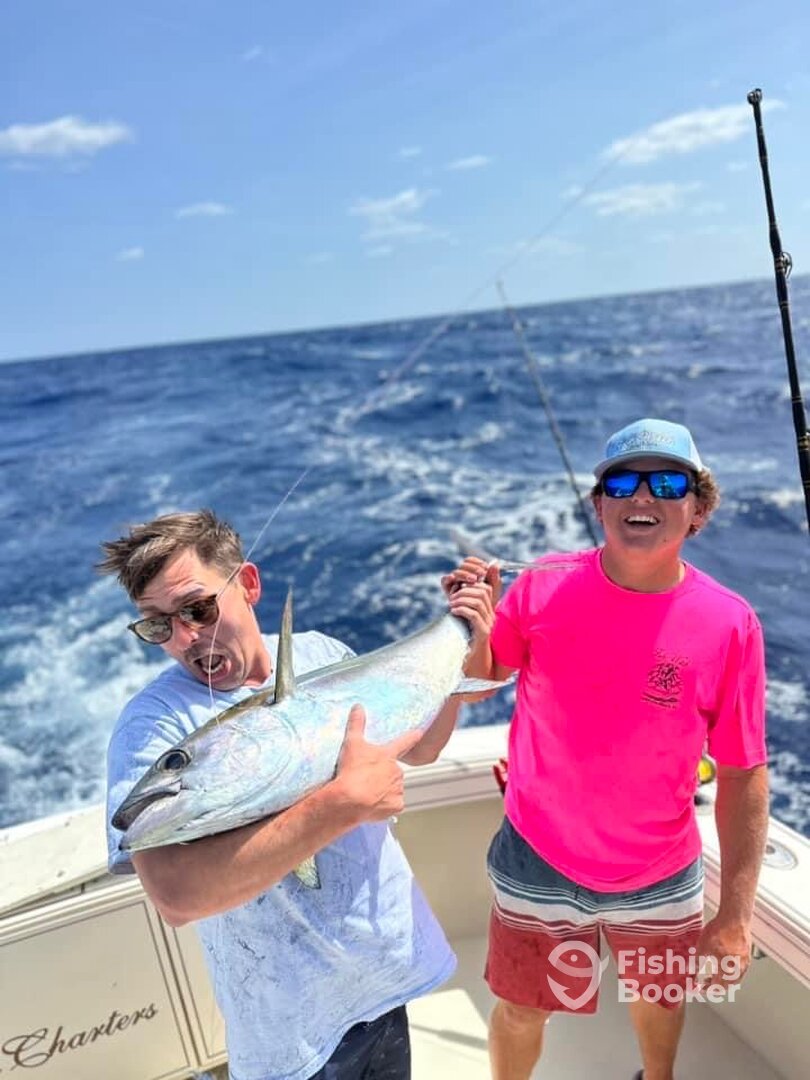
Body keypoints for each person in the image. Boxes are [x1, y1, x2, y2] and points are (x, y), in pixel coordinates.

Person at [442, 418, 769, 1080]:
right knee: (523, 1009)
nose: (641, 496)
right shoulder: (541, 586)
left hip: (661, 873)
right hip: (537, 857)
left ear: (699, 509)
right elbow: (479, 683)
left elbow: (742, 772)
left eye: (667, 483)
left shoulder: (731, 623)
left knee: (660, 1000)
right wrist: (473, 625)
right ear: (599, 505)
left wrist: (735, 914)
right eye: (621, 483)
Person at [100, 509, 461, 1080]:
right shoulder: (153, 725)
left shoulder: (319, 653)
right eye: (157, 626)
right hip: (293, 1036)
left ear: (247, 584)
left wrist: (465, 641)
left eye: (197, 609)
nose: (185, 637)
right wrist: (341, 805)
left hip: (387, 981)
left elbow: (421, 747)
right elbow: (175, 897)